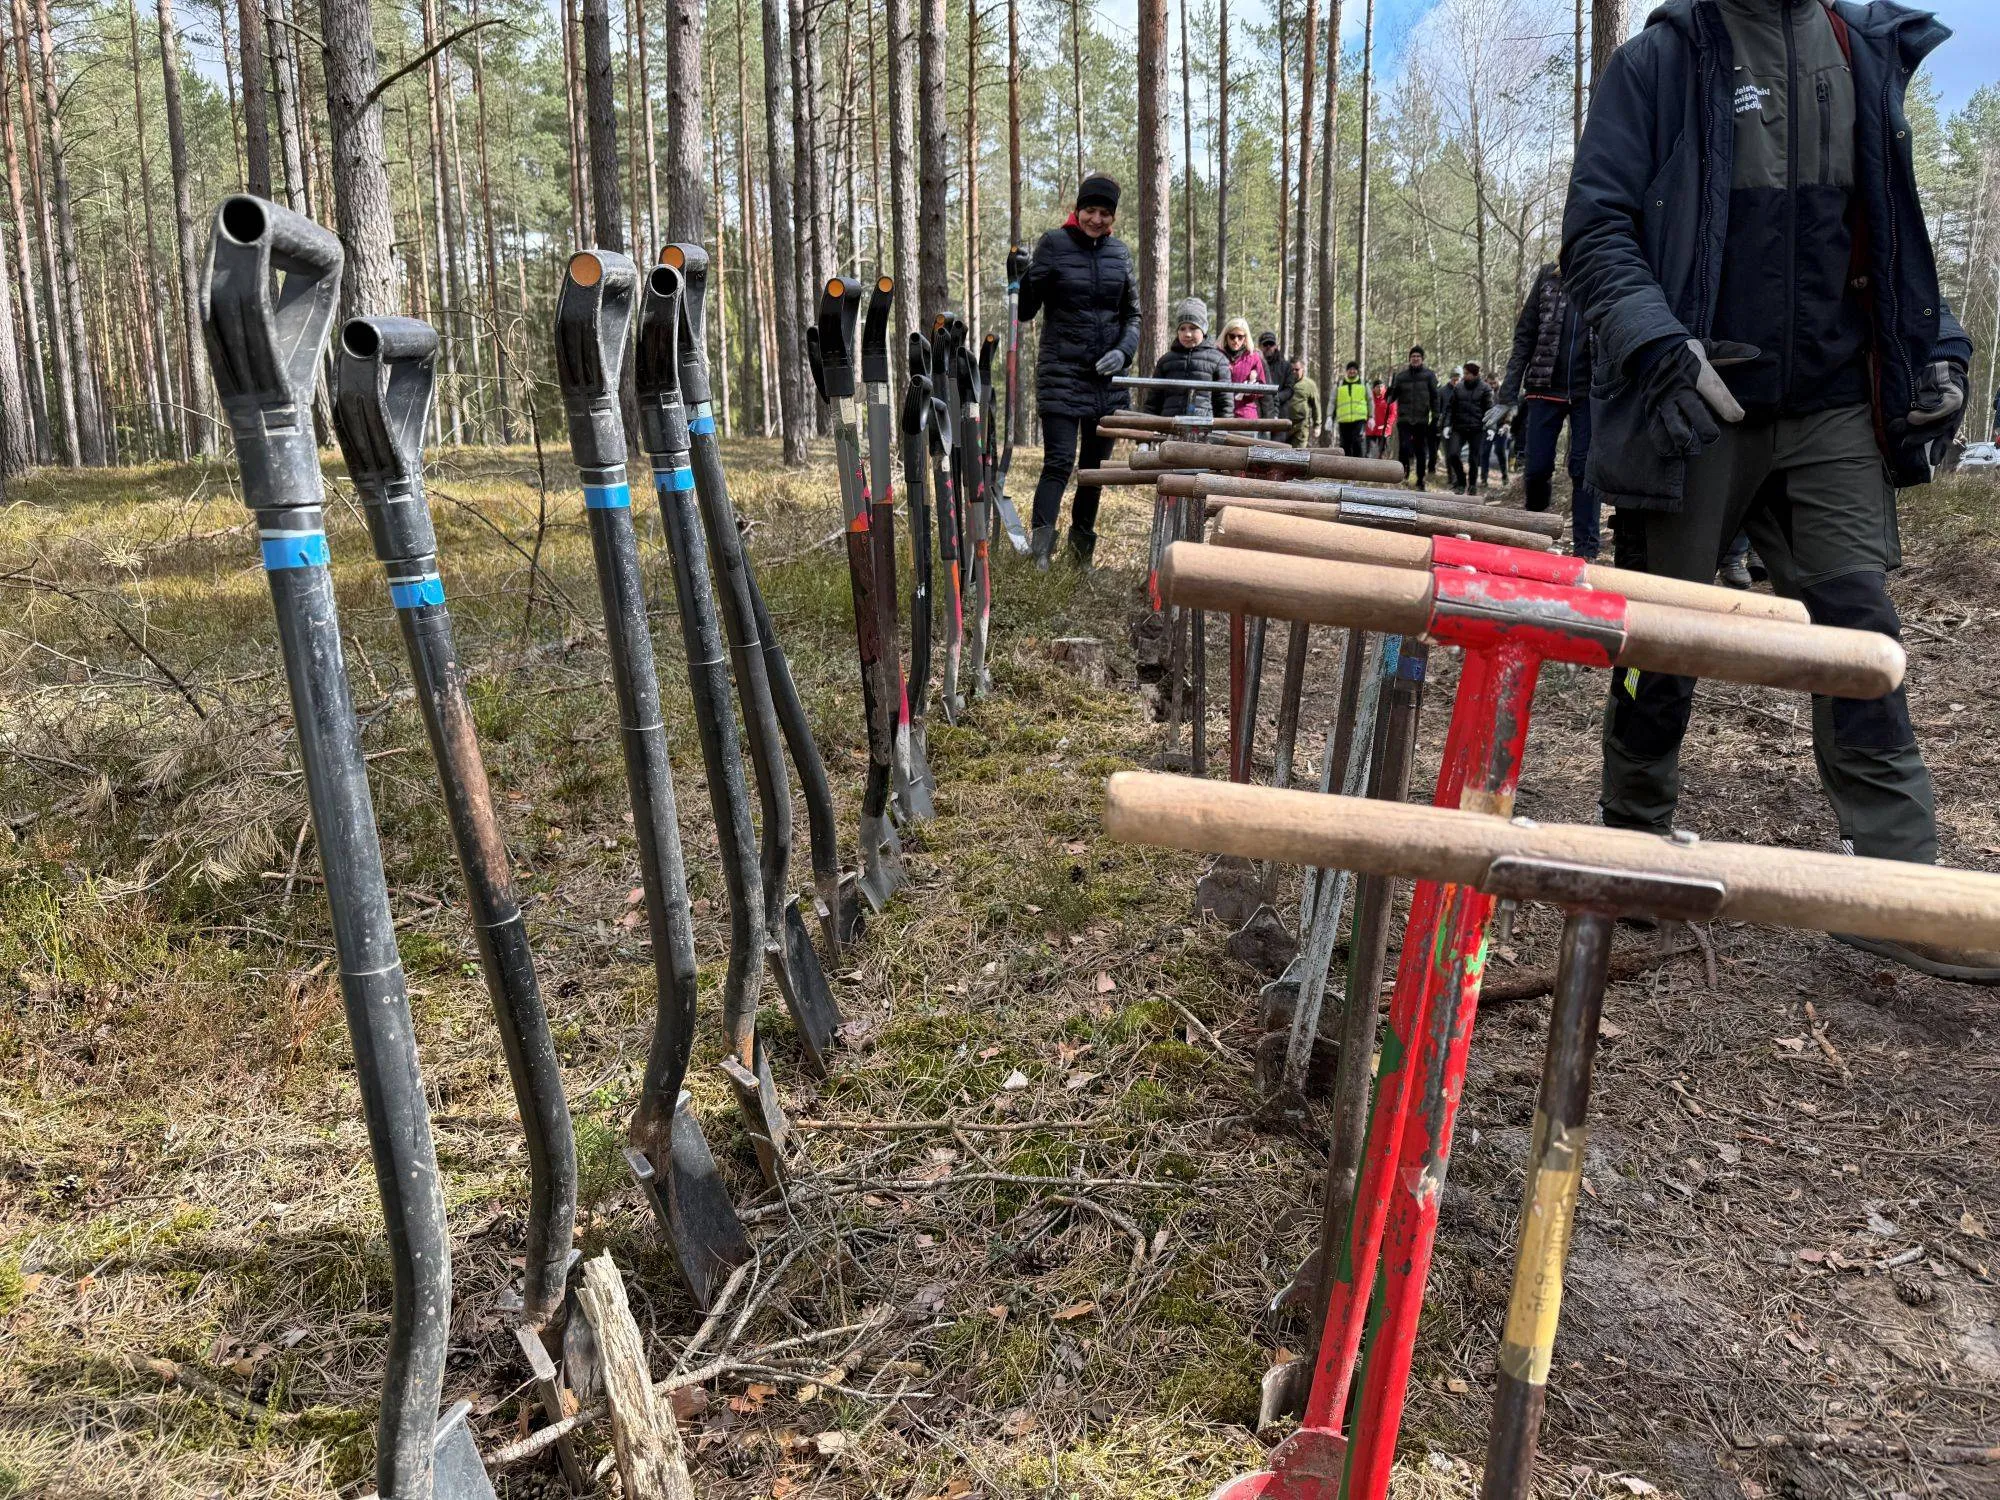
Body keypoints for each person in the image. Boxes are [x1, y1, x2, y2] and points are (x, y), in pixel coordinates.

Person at [1565, 0, 1986, 979]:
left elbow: (1891, 232)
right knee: (1658, 641)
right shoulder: (1659, 63)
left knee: (1858, 632)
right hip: (1695, 402)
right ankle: (1629, 841)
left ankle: (1895, 888)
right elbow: (1593, 232)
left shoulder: (1857, 51)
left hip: (1831, 407)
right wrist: (1658, 349)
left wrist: (1936, 353)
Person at [1018, 173, 1141, 568]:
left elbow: (1133, 316)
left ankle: (1081, 554)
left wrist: (1124, 352)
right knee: (1057, 462)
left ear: (1113, 217)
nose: (1097, 219)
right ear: (1077, 209)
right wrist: (1022, 276)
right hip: (1062, 375)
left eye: (1105, 213)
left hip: (1106, 382)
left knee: (1094, 470)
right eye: (1090, 210)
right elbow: (1025, 310)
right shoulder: (1053, 244)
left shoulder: (1120, 254)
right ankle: (1040, 552)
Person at [1492, 261, 1600, 558]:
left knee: (1584, 469)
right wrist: (1508, 394)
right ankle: (1536, 536)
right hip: (1543, 386)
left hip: (1588, 391)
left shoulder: (1605, 274)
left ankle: (1586, 548)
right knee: (1537, 468)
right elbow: (1525, 334)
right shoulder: (1547, 277)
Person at [1141, 297, 1232, 417]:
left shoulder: (1218, 360)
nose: (1187, 334)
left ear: (1203, 329)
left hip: (1204, 428)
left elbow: (1225, 403)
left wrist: (1222, 430)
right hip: (1168, 426)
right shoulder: (1166, 361)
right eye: (1182, 329)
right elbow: (1153, 402)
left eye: (1193, 328)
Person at [1389, 346, 1440, 489]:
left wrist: (1436, 415)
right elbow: (1391, 398)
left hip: (1421, 419)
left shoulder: (1429, 375)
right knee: (1404, 448)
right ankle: (1403, 477)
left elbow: (1435, 397)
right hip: (1404, 418)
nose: (1415, 359)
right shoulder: (1401, 376)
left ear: (1422, 359)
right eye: (1413, 356)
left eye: (1418, 356)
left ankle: (1420, 480)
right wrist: (1390, 388)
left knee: (1420, 450)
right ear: (1409, 359)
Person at [1447, 359, 1494, 493]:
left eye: (1467, 373)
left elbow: (1490, 410)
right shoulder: (1458, 388)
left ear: (1475, 374)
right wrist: (1446, 425)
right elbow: (1450, 408)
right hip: (1459, 427)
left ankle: (1472, 485)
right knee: (1453, 454)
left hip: (1476, 429)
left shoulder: (1486, 389)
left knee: (1474, 458)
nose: (1464, 375)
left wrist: (1491, 428)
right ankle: (1461, 481)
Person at [1220, 318, 1269, 418]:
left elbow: (1262, 387)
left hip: (1245, 414)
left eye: (1240, 337)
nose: (1236, 340)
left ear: (1245, 338)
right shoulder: (1217, 355)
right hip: (1220, 412)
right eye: (1232, 336)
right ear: (1226, 336)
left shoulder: (1253, 357)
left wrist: (1249, 392)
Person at [1258, 331, 1296, 425]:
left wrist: (1275, 398)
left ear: (1275, 346)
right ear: (1260, 346)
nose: (1268, 347)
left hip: (1280, 413)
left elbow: (1290, 389)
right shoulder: (1255, 364)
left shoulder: (1285, 366)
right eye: (1265, 344)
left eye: (1271, 344)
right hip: (1259, 413)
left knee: (1277, 440)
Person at [1333, 360, 1369, 456]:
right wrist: (1329, 416)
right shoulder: (1340, 384)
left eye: (1354, 369)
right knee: (1345, 445)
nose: (1352, 371)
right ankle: (1346, 467)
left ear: (1357, 371)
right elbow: (1332, 401)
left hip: (1359, 419)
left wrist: (1372, 417)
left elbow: (1370, 400)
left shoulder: (1363, 383)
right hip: (1343, 420)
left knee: (1357, 442)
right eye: (1350, 369)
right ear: (1347, 371)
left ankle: (1359, 467)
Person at [1442, 367, 1467, 492]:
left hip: (1460, 428)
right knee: (1449, 455)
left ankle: (1459, 479)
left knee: (1456, 454)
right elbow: (1441, 409)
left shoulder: (1465, 390)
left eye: (1458, 378)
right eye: (1454, 378)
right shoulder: (1443, 391)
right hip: (1446, 428)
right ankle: (1451, 478)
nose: (1456, 381)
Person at [1288, 357, 1322, 448]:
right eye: (1292, 370)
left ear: (1302, 369)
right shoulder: (1285, 382)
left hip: (1301, 426)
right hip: (1284, 426)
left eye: (1297, 369)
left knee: (1298, 456)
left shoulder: (1309, 384)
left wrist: (1317, 425)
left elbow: (1316, 406)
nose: (1294, 372)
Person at [1365, 377, 1396, 458]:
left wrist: (1388, 424)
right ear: (1373, 388)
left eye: (1381, 386)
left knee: (1382, 454)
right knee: (1368, 454)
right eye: (1377, 387)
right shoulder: (1369, 398)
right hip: (1370, 431)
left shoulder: (1389, 398)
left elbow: (1393, 413)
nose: (1380, 388)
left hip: (1384, 431)